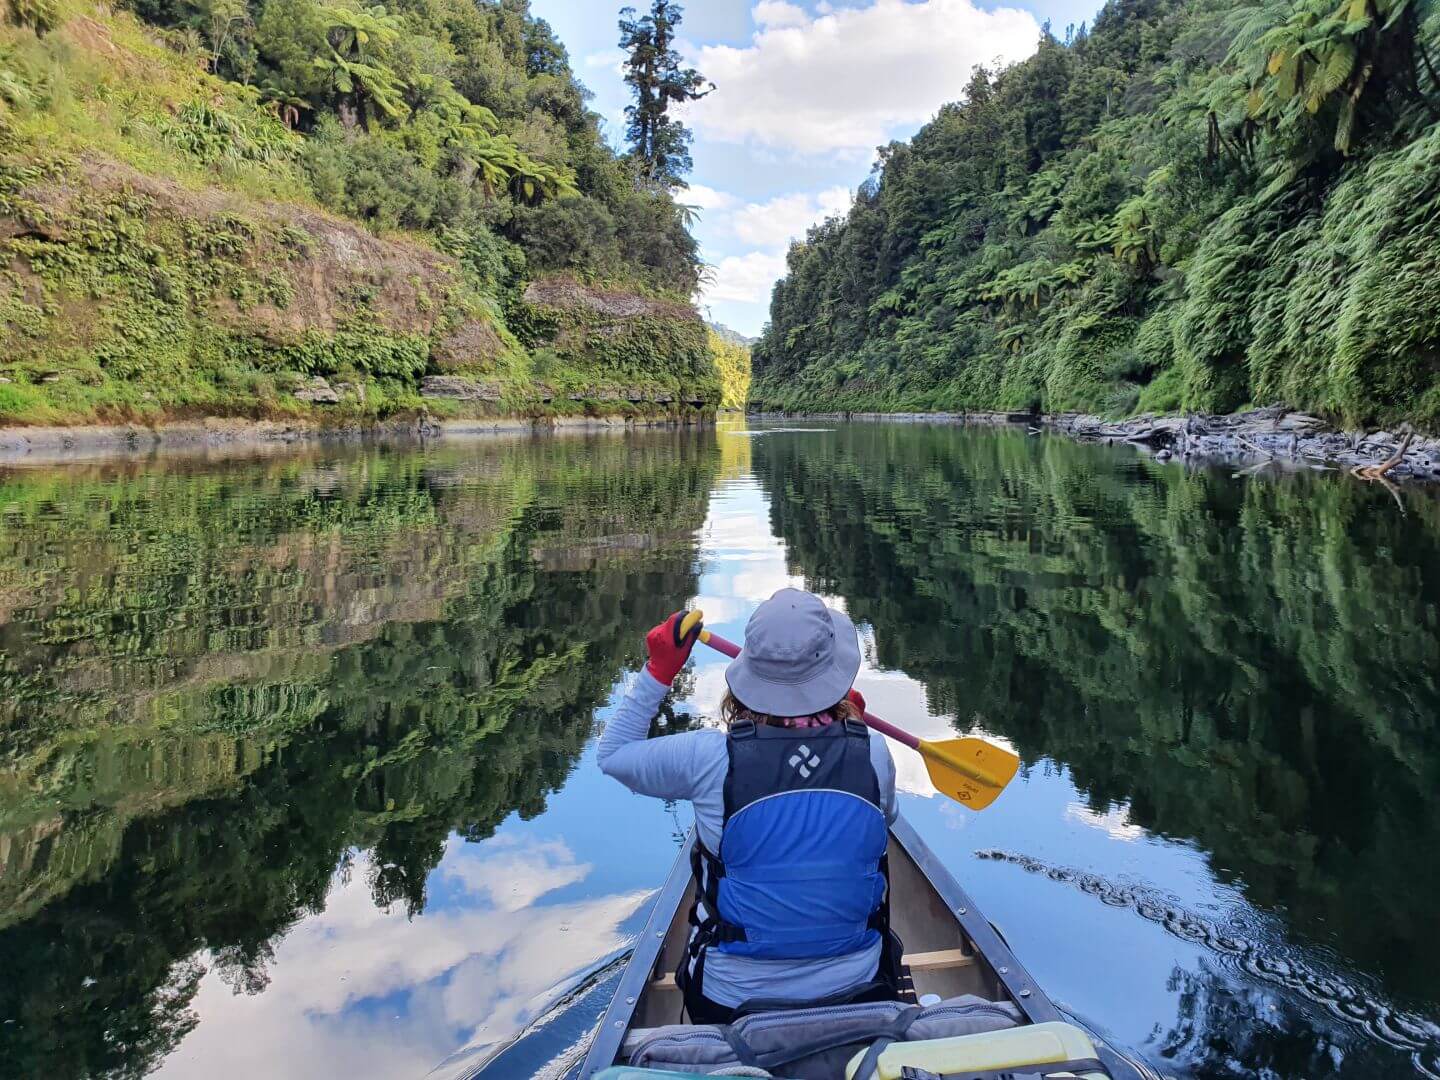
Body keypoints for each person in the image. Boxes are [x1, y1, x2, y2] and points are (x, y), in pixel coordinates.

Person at [598, 588, 899, 1024]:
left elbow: (613, 755)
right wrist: (849, 732)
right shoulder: (875, 756)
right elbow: (881, 824)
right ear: (836, 674)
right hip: (858, 988)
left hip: (729, 1001)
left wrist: (659, 672)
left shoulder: (707, 759)